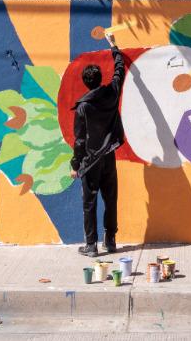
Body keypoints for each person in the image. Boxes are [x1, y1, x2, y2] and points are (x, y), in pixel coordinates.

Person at [70, 34, 126, 257]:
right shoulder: (111, 93)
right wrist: (114, 46)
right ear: (100, 79)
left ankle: (91, 246)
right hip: (108, 157)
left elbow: (80, 140)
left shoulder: (83, 107)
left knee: (89, 202)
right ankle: (110, 241)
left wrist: (75, 165)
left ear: (86, 83)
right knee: (110, 199)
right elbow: (120, 71)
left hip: (91, 160)